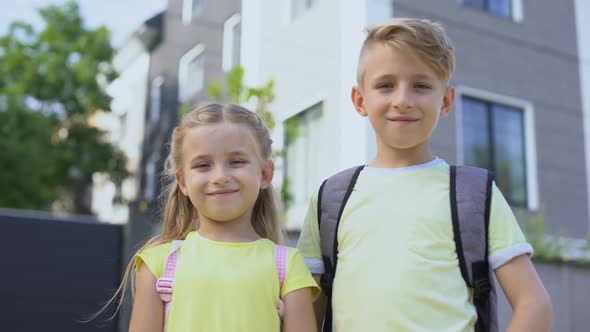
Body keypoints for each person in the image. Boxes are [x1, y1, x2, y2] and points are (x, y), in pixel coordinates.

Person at [297, 18, 552, 332]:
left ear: (445, 101)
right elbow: (305, 316)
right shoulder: (330, 199)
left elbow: (534, 304)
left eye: (421, 86)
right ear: (360, 100)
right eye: (385, 85)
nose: (402, 100)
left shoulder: (473, 194)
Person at [124, 104, 318, 332]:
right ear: (183, 182)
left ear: (265, 174)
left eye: (236, 162)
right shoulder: (158, 264)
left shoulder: (288, 266)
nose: (220, 177)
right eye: (203, 165)